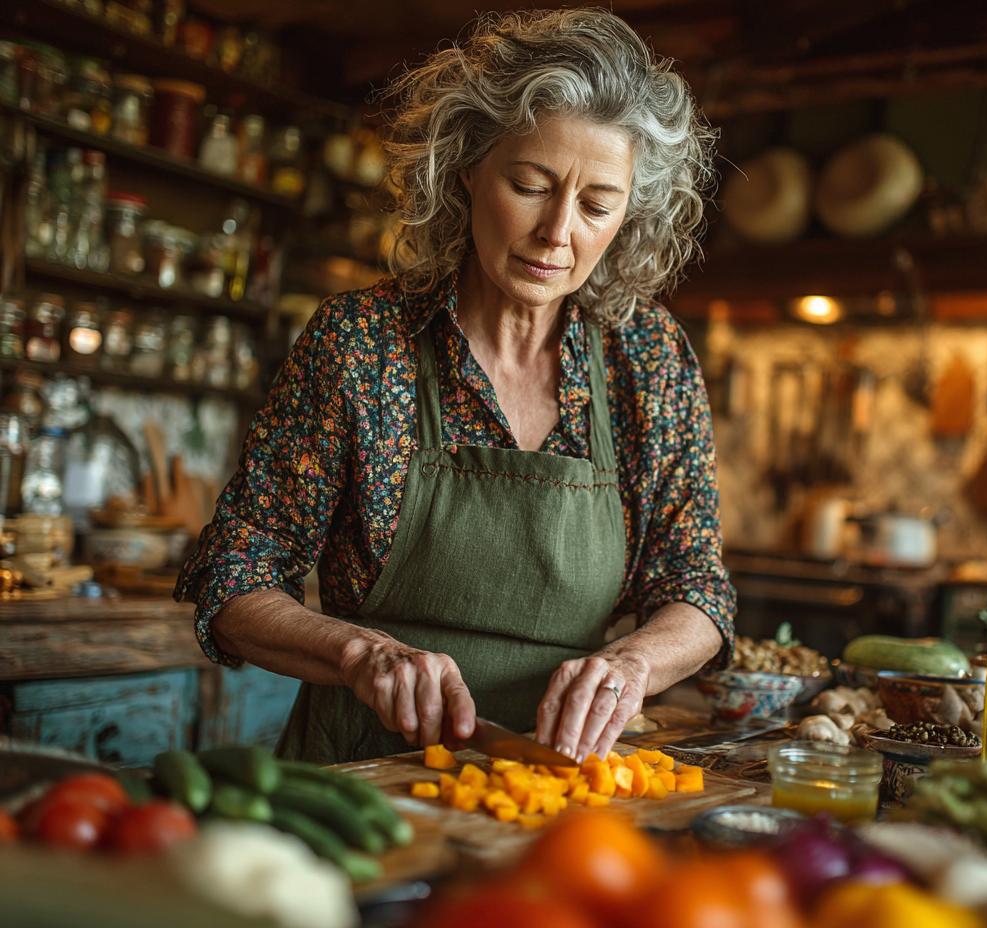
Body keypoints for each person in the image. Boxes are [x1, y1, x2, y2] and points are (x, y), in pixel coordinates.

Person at [175, 8, 734, 765]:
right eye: (531, 185)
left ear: (627, 217)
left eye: (597, 205)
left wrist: (632, 664)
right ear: (467, 168)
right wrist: (357, 653)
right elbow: (235, 576)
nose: (557, 232)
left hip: (560, 780)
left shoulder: (650, 361)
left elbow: (698, 587)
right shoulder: (362, 345)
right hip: (363, 775)